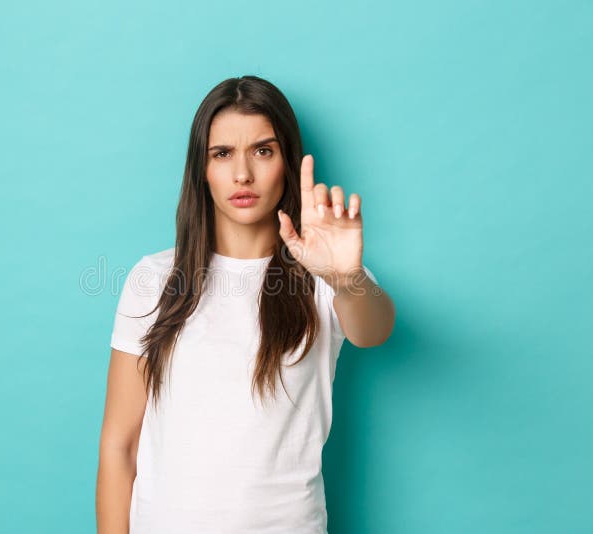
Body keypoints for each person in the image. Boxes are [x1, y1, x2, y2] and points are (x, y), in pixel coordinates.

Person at [95, 75, 396, 534]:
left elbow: (374, 331)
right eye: (222, 153)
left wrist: (344, 277)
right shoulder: (153, 279)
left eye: (262, 151)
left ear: (287, 163)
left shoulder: (327, 274)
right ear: (202, 168)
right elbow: (119, 446)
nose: (242, 174)